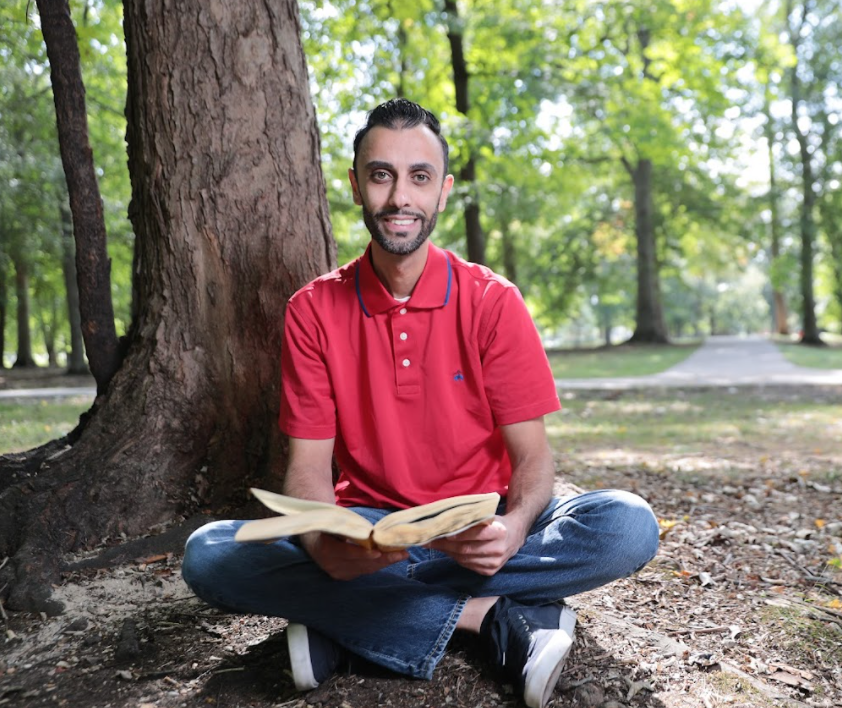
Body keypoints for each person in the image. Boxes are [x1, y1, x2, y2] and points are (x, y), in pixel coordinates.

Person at [181, 98, 660, 708]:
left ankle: (347, 629)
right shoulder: (312, 310)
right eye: (381, 175)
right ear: (356, 185)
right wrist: (325, 546)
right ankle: (492, 618)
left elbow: (534, 460)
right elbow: (306, 469)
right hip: (372, 529)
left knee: (627, 524)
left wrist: (512, 530)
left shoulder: (493, 301)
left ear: (443, 192)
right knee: (210, 555)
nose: (400, 196)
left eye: (419, 177)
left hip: (479, 525)